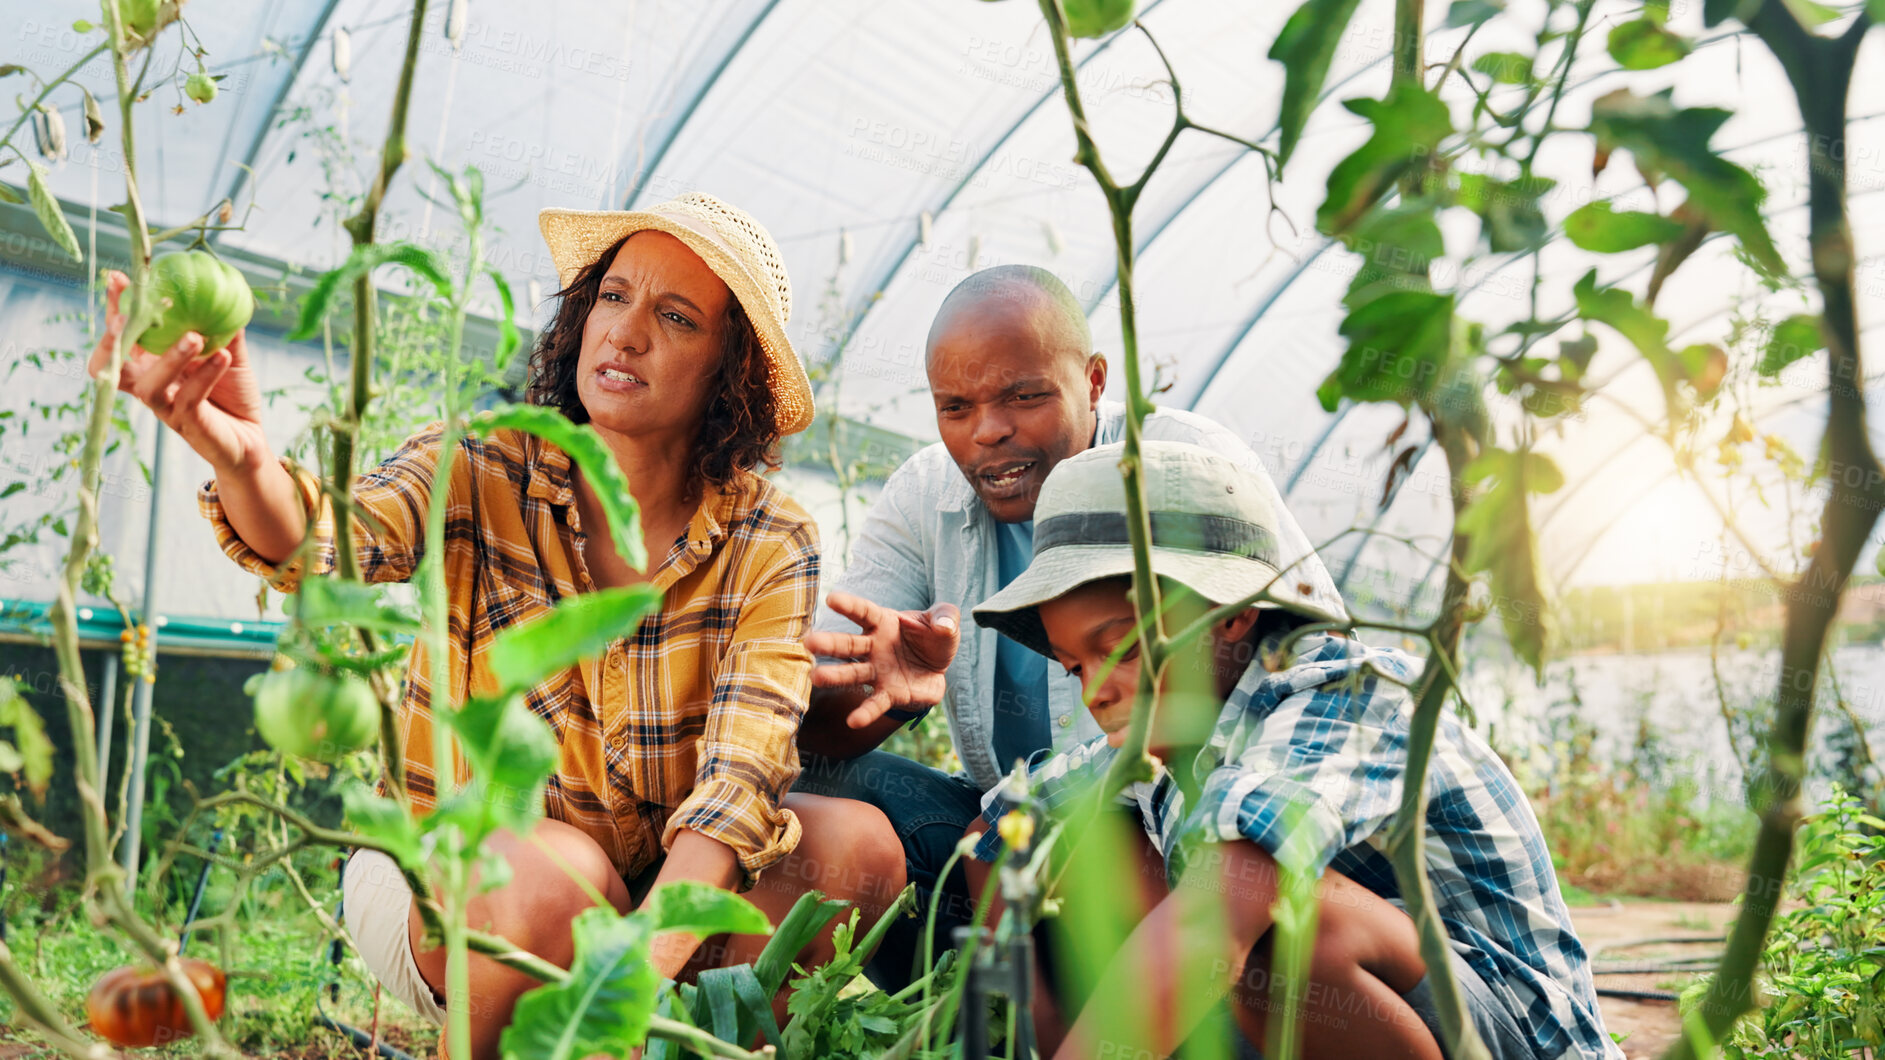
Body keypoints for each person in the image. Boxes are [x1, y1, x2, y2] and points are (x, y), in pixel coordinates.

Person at [91, 193, 905, 1059]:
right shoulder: (480, 462)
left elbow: (743, 779)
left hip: (655, 894)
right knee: (549, 874)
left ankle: (685, 1042)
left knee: (854, 850)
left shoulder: (768, 538)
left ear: (731, 370)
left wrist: (636, 966)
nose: (625, 334)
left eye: (675, 317)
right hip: (460, 878)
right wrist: (246, 461)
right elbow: (326, 546)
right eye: (614, 296)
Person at [966, 440, 1622, 1060]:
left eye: (1122, 646)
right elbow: (995, 833)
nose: (1095, 693)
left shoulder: (1350, 696)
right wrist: (1041, 1029)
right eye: (1073, 666)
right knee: (1102, 840)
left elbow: (1216, 921)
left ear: (1229, 615)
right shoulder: (1162, 734)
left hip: (1511, 1035)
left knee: (1286, 922)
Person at [795, 264, 1346, 984]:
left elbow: (1319, 674)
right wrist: (892, 692)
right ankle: (989, 995)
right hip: (1017, 823)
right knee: (823, 779)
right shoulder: (925, 495)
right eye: (954, 407)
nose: (988, 432)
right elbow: (823, 715)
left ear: (1091, 382)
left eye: (1023, 397)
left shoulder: (1177, 466)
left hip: (1177, 831)